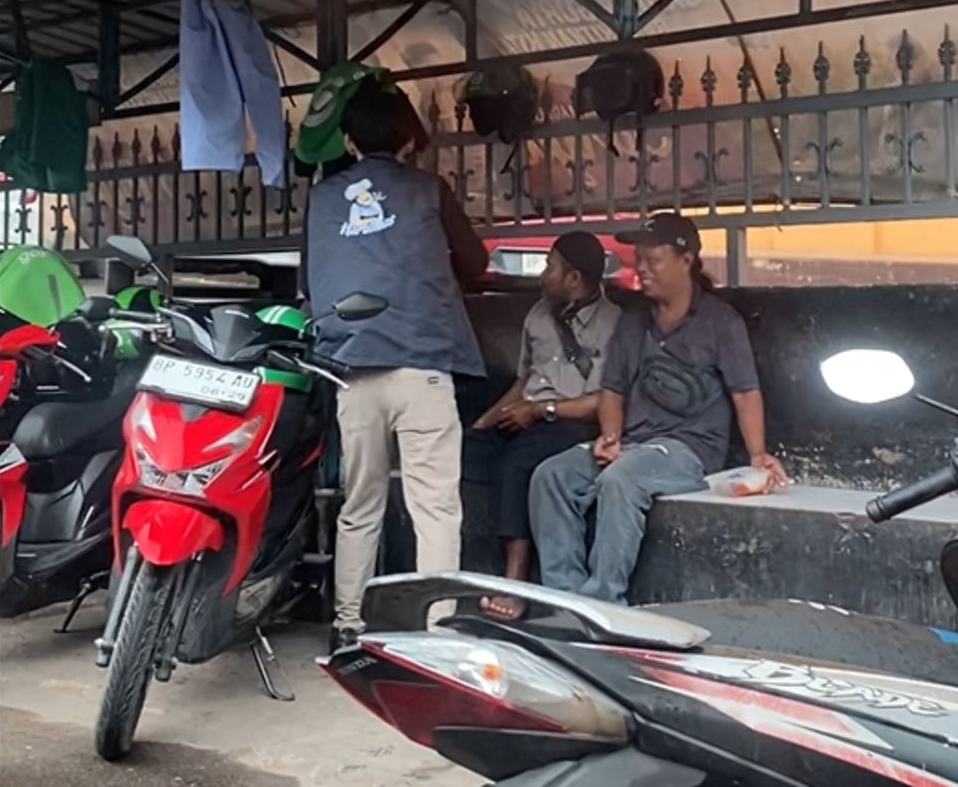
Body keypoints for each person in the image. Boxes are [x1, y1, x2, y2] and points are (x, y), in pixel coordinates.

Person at [304, 79, 489, 651]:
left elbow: (310, 282)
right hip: (421, 365)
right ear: (409, 139)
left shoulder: (322, 200)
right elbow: (477, 263)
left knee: (360, 504)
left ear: (349, 141)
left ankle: (348, 625)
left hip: (353, 370)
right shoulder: (429, 190)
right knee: (434, 508)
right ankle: (436, 633)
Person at [529, 212, 788, 605]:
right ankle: (564, 600)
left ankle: (602, 603)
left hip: (689, 450)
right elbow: (613, 389)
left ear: (686, 261)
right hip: (635, 444)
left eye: (653, 259)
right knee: (550, 476)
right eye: (639, 259)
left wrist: (757, 455)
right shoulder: (633, 321)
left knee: (622, 479)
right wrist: (610, 436)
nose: (642, 268)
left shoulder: (721, 323)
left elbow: (745, 392)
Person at [463, 232, 621, 620]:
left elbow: (602, 401)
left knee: (515, 465)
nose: (543, 275)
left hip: (573, 422)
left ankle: (516, 583)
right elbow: (524, 381)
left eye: (550, 267)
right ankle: (468, 573)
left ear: (574, 278)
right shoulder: (538, 314)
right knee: (464, 454)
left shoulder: (613, 324)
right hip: (529, 414)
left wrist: (540, 410)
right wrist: (482, 425)